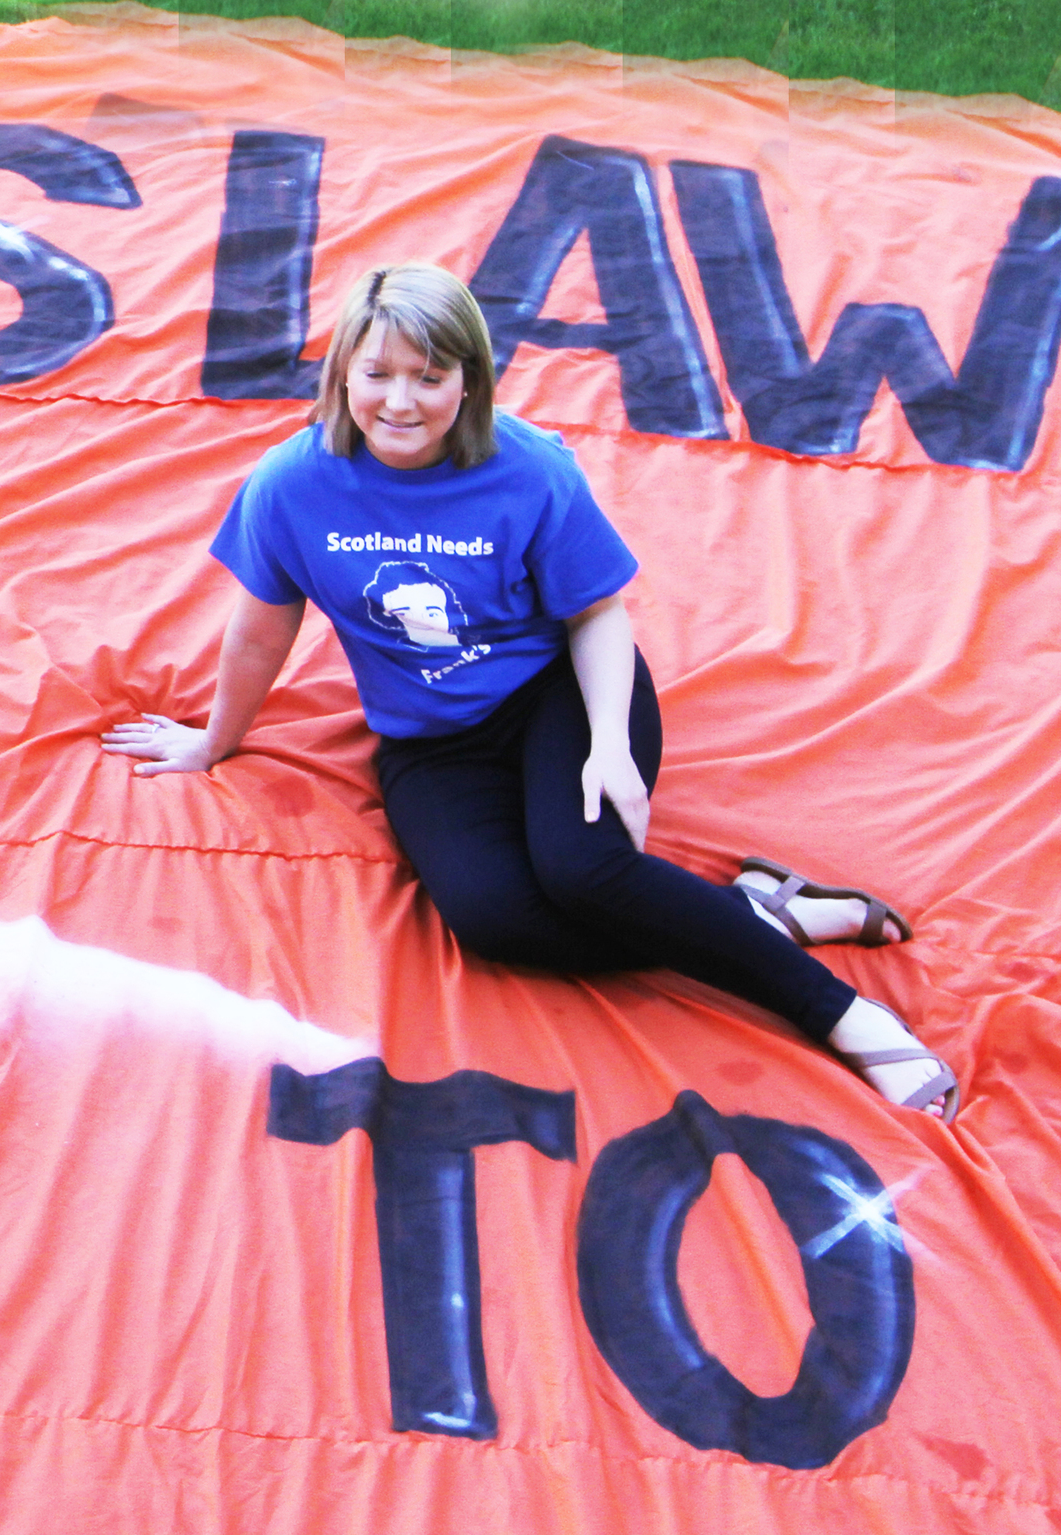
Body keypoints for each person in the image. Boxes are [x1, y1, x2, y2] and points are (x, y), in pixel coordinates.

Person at [102, 263, 953, 1118]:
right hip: (430, 737)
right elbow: (261, 629)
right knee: (494, 921)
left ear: (468, 380)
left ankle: (843, 1014)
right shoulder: (292, 484)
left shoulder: (530, 468)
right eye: (379, 374)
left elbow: (598, 616)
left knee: (586, 874)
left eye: (429, 378)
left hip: (561, 695)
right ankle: (758, 917)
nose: (401, 402)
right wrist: (214, 740)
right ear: (343, 374)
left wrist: (613, 747)